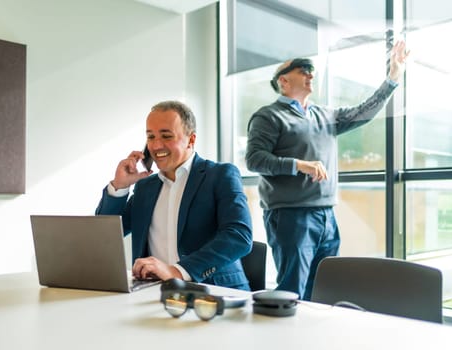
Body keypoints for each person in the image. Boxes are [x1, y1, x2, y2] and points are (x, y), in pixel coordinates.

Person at [245, 41, 409, 300]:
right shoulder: (268, 116)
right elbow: (254, 160)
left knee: (325, 287)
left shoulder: (324, 115)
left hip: (327, 215)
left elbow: (363, 112)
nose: (310, 74)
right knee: (293, 289)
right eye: (302, 69)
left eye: (311, 70)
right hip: (290, 216)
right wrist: (299, 165)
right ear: (283, 82)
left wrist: (393, 77)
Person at [96, 100, 253, 290]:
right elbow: (104, 235)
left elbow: (239, 236)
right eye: (150, 137)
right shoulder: (145, 187)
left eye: (166, 136)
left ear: (191, 139)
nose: (156, 145)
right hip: (153, 292)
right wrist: (119, 187)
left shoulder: (220, 175)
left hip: (214, 292)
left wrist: (178, 271)